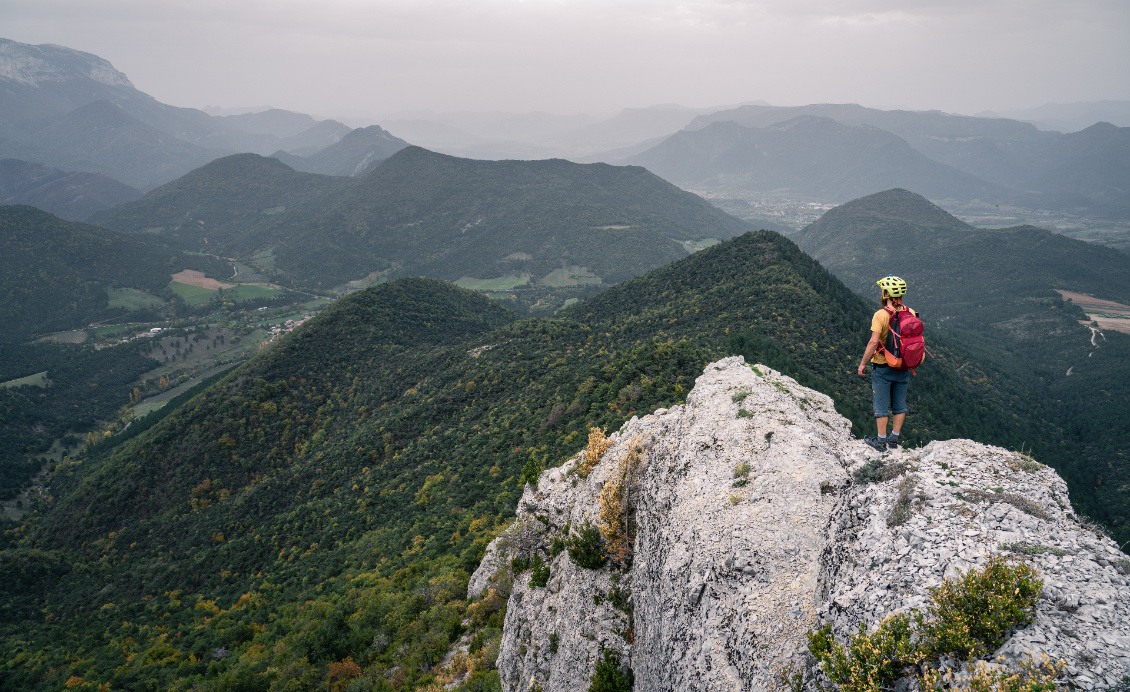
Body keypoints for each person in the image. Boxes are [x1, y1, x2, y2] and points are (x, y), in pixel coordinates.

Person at [857, 275, 917, 451]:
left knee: (881, 404)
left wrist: (862, 364)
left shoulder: (881, 315)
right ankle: (894, 439)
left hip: (883, 366)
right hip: (903, 365)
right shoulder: (911, 312)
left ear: (886, 293)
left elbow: (873, 342)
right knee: (900, 404)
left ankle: (881, 441)